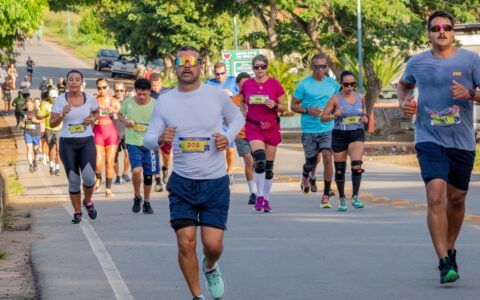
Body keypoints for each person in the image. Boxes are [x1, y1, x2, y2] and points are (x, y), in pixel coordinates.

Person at [144, 45, 244, 300]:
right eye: (182, 61)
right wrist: (160, 138)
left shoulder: (217, 95)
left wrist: (227, 137)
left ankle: (210, 265)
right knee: (185, 241)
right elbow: (148, 137)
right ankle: (197, 296)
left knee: (212, 245)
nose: (187, 65)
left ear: (201, 66)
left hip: (215, 182)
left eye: (193, 61)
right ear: (175, 66)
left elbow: (238, 119)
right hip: (183, 183)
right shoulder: (165, 100)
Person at [398, 10, 480, 284]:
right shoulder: (418, 62)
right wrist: (403, 104)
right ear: (429, 33)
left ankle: (451, 248)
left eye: (446, 27)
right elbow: (404, 85)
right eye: (435, 28)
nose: (441, 31)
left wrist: (470, 94)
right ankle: (443, 261)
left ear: (453, 31)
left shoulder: (470, 60)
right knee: (435, 195)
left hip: (462, 140)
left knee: (456, 200)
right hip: (428, 137)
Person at [291, 54, 340, 208]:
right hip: (309, 129)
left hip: (328, 128)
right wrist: (307, 110)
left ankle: (326, 194)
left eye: (323, 66)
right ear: (312, 67)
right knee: (312, 161)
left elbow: (340, 102)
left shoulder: (334, 85)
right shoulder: (303, 85)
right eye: (317, 66)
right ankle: (306, 175)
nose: (320, 69)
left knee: (327, 156)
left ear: (327, 67)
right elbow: (293, 105)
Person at [50, 69, 99, 224]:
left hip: (86, 141)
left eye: (77, 80)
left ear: (82, 82)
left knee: (89, 177)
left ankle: (88, 201)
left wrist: (92, 118)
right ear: (67, 82)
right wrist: (62, 114)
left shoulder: (90, 98)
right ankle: (77, 212)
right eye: (71, 80)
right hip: (67, 143)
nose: (74, 82)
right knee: (73, 179)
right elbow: (52, 123)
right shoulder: (60, 100)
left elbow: (97, 113)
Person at [239, 54, 286, 213]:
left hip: (271, 127)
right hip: (254, 127)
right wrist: (243, 114)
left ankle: (266, 198)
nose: (259, 69)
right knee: (259, 160)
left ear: (267, 67)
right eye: (256, 67)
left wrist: (274, 105)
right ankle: (258, 196)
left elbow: (283, 107)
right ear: (253, 68)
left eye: (262, 66)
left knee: (269, 167)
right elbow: (242, 101)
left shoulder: (274, 84)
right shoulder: (248, 85)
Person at [321, 71, 367, 211]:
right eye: (346, 84)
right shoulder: (335, 99)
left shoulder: (360, 97)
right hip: (340, 135)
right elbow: (323, 117)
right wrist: (334, 115)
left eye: (352, 84)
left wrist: (365, 117)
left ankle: (355, 197)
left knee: (357, 166)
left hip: (356, 134)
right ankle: (342, 198)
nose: (349, 87)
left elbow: (364, 110)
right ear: (341, 84)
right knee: (340, 170)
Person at [117, 78, 157, 214]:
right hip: (133, 142)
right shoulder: (128, 103)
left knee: (148, 175)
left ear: (149, 92)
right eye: (138, 94)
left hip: (150, 144)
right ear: (135, 91)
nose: (141, 97)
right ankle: (136, 196)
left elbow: (162, 120)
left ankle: (146, 202)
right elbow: (119, 115)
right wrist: (125, 121)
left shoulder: (156, 105)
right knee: (136, 171)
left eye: (144, 94)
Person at [206, 62, 239, 185]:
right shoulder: (209, 84)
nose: (220, 76)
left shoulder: (233, 81)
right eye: (217, 74)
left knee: (230, 150)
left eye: (222, 73)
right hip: (215, 121)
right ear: (214, 74)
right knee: (215, 148)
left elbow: (241, 96)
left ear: (226, 72)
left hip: (229, 121)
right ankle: (216, 173)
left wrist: (232, 96)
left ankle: (229, 172)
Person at [231, 72, 257, 204]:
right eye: (242, 84)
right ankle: (252, 192)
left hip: (256, 135)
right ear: (237, 85)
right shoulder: (232, 100)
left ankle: (260, 190)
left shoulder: (256, 98)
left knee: (258, 163)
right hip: (241, 136)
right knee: (248, 160)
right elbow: (226, 118)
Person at [93, 78, 119, 197]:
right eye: (99, 88)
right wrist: (93, 117)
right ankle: (98, 176)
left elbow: (122, 116)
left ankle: (108, 189)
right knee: (98, 162)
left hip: (111, 133)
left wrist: (114, 112)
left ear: (108, 88)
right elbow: (89, 116)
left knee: (109, 162)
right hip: (98, 131)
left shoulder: (114, 101)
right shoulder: (94, 101)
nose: (101, 90)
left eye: (104, 87)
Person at [150, 73, 170, 192]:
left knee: (166, 157)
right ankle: (158, 181)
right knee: (154, 155)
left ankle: (165, 168)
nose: (156, 88)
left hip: (166, 128)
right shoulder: (147, 94)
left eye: (158, 85)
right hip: (153, 129)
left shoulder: (168, 93)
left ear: (161, 84)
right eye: (153, 85)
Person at [38, 89, 62, 176]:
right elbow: (39, 115)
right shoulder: (44, 104)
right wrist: (46, 115)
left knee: (59, 150)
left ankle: (57, 168)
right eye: (53, 98)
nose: (54, 99)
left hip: (59, 128)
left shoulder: (61, 103)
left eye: (56, 97)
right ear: (50, 97)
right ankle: (51, 166)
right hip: (49, 129)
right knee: (51, 148)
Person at [112, 81, 131, 185]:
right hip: (114, 133)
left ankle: (124, 173)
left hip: (127, 132)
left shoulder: (129, 101)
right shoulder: (110, 101)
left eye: (121, 90)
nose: (118, 92)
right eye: (116, 90)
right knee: (114, 156)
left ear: (125, 91)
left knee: (128, 154)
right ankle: (118, 176)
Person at [20, 98, 41, 173]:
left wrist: (37, 121)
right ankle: (30, 165)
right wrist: (22, 125)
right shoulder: (23, 112)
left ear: (32, 104)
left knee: (36, 150)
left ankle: (35, 161)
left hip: (36, 133)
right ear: (25, 105)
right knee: (29, 148)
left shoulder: (37, 111)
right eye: (27, 104)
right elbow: (22, 122)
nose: (28, 106)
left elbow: (43, 120)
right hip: (27, 133)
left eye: (29, 104)